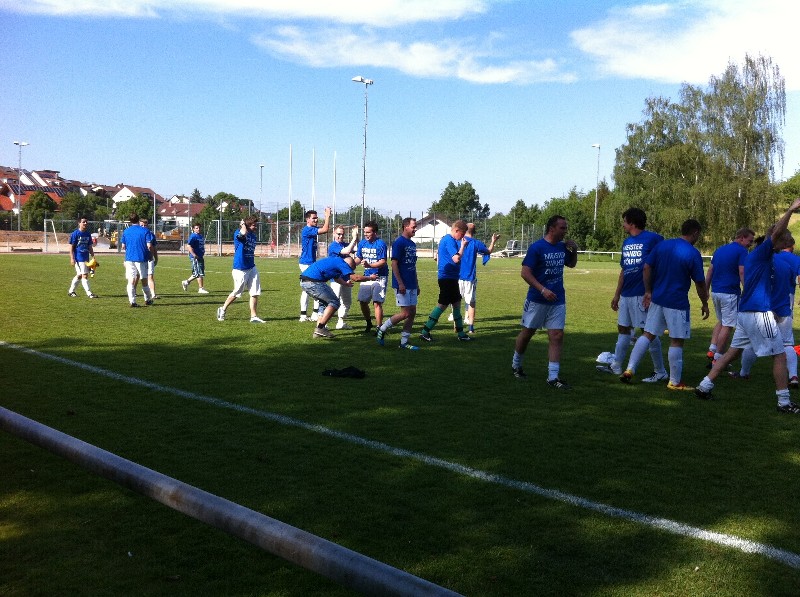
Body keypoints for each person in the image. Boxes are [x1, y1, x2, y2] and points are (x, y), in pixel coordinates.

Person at [696, 198, 800, 413]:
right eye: (786, 240)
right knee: (780, 354)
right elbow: (777, 233)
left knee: (731, 353)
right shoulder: (763, 252)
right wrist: (790, 209)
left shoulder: (759, 256)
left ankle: (704, 386)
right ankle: (784, 402)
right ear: (776, 240)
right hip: (758, 313)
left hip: (745, 313)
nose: (788, 244)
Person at [620, 219, 709, 389]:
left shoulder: (663, 245)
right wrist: (704, 303)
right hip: (677, 302)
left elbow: (646, 267)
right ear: (695, 233)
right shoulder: (692, 252)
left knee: (647, 334)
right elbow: (699, 282)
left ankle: (630, 369)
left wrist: (648, 290)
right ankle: (674, 382)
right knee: (676, 340)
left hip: (657, 299)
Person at [596, 208, 665, 380]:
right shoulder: (627, 242)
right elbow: (624, 270)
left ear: (632, 223)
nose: (623, 225)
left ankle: (660, 371)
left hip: (642, 294)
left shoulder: (654, 239)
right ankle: (616, 366)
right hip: (626, 294)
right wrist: (617, 294)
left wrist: (652, 290)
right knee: (623, 328)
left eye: (625, 221)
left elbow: (662, 264)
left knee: (648, 331)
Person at [511, 215, 578, 389]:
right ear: (551, 228)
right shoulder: (537, 247)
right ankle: (516, 364)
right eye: (562, 228)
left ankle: (553, 377)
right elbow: (525, 273)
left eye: (565, 228)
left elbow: (571, 264)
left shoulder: (562, 247)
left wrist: (574, 251)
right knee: (527, 333)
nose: (565, 231)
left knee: (557, 335)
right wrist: (542, 290)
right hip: (537, 299)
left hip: (558, 299)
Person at [704, 228, 754, 365]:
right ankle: (718, 358)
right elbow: (742, 271)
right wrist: (747, 290)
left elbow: (710, 271)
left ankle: (712, 349)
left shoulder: (720, 249)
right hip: (730, 293)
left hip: (716, 291)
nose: (751, 244)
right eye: (750, 241)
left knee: (721, 321)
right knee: (728, 325)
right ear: (742, 238)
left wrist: (706, 289)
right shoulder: (742, 251)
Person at [419, 220, 472, 343]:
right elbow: (456, 259)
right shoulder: (449, 240)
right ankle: (425, 332)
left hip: (452, 278)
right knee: (442, 305)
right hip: (446, 278)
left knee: (457, 303)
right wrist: (463, 247)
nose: (462, 237)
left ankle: (461, 334)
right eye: (462, 234)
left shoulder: (449, 240)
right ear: (456, 230)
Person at [300, 255, 377, 339]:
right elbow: (356, 278)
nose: (347, 272)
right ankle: (320, 328)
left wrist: (345, 283)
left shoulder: (335, 261)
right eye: (350, 269)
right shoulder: (342, 263)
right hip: (314, 282)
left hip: (304, 281)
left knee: (324, 304)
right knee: (334, 302)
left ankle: (319, 331)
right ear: (348, 265)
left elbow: (336, 278)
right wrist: (370, 277)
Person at [377, 217, 420, 350]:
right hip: (402, 284)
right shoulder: (399, 243)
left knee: (412, 312)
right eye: (413, 227)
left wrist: (417, 284)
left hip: (412, 283)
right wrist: (400, 283)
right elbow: (394, 264)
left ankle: (404, 342)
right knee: (405, 313)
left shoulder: (412, 244)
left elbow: (413, 266)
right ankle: (382, 329)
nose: (415, 229)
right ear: (406, 227)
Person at [217, 215, 265, 323]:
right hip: (240, 268)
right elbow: (242, 235)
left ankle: (253, 316)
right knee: (237, 292)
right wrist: (243, 225)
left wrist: (246, 227)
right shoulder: (238, 233)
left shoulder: (253, 236)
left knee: (255, 292)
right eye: (253, 225)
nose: (255, 227)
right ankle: (222, 309)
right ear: (247, 225)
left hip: (251, 266)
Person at [455, 223, 500, 334]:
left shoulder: (457, 240)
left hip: (457, 276)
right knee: (471, 303)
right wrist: (493, 241)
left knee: (456, 302)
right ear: (474, 231)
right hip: (470, 277)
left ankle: (456, 326)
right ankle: (471, 327)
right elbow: (488, 251)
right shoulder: (476, 243)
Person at [355, 220, 389, 334]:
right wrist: (350, 265)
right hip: (367, 276)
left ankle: (379, 327)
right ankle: (369, 323)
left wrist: (369, 265)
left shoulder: (380, 244)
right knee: (362, 301)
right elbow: (359, 258)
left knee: (377, 302)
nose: (366, 234)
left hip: (380, 277)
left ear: (375, 232)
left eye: (368, 232)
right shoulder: (362, 243)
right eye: (365, 232)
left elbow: (383, 261)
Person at [298, 207, 331, 321]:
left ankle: (309, 314)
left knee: (310, 288)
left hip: (311, 263)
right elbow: (325, 229)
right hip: (306, 263)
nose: (316, 220)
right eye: (314, 218)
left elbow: (324, 229)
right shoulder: (307, 230)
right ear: (307, 220)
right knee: (313, 287)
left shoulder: (312, 229)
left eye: (317, 218)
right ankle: (307, 315)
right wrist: (327, 216)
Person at [120, 213, 154, 307]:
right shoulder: (145, 231)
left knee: (131, 280)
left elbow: (123, 246)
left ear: (130, 221)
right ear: (138, 220)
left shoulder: (126, 231)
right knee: (144, 279)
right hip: (141, 257)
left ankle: (132, 301)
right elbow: (149, 245)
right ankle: (148, 299)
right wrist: (151, 255)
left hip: (129, 258)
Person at [328, 224, 358, 329]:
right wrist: (353, 239)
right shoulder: (333, 245)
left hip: (346, 278)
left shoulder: (344, 244)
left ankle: (340, 322)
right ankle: (323, 324)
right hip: (336, 279)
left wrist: (356, 236)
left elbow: (357, 248)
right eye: (338, 234)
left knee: (347, 302)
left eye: (342, 234)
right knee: (333, 302)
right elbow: (347, 251)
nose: (340, 236)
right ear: (334, 234)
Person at [67, 217, 98, 299]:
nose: (85, 223)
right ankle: (89, 293)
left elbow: (90, 246)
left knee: (80, 275)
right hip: (78, 257)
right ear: (79, 223)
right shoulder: (75, 234)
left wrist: (93, 257)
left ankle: (71, 291)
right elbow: (71, 247)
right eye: (83, 222)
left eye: (86, 222)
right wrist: (72, 258)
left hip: (86, 257)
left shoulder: (88, 234)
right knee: (85, 275)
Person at [182, 222, 209, 293]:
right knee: (199, 273)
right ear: (193, 229)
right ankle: (201, 288)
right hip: (196, 257)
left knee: (198, 273)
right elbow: (189, 246)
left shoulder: (200, 236)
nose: (198, 229)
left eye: (199, 228)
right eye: (196, 228)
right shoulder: (193, 236)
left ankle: (186, 282)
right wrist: (194, 255)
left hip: (200, 256)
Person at [139, 217, 159, 299]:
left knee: (150, 276)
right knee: (137, 276)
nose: (143, 227)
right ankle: (134, 292)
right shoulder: (138, 234)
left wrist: (156, 258)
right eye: (141, 225)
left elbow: (154, 248)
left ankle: (153, 294)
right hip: (139, 258)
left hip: (149, 258)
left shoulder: (151, 235)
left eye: (145, 225)